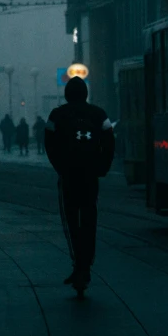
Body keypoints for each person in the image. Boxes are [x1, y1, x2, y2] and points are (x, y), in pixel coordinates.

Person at [45, 77, 115, 290]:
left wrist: (60, 167)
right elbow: (110, 141)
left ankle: (77, 262)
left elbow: (48, 143)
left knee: (71, 220)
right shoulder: (98, 114)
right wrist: (102, 167)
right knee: (89, 219)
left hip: (69, 176)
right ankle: (87, 264)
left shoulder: (57, 115)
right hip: (90, 176)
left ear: (67, 94)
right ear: (85, 93)